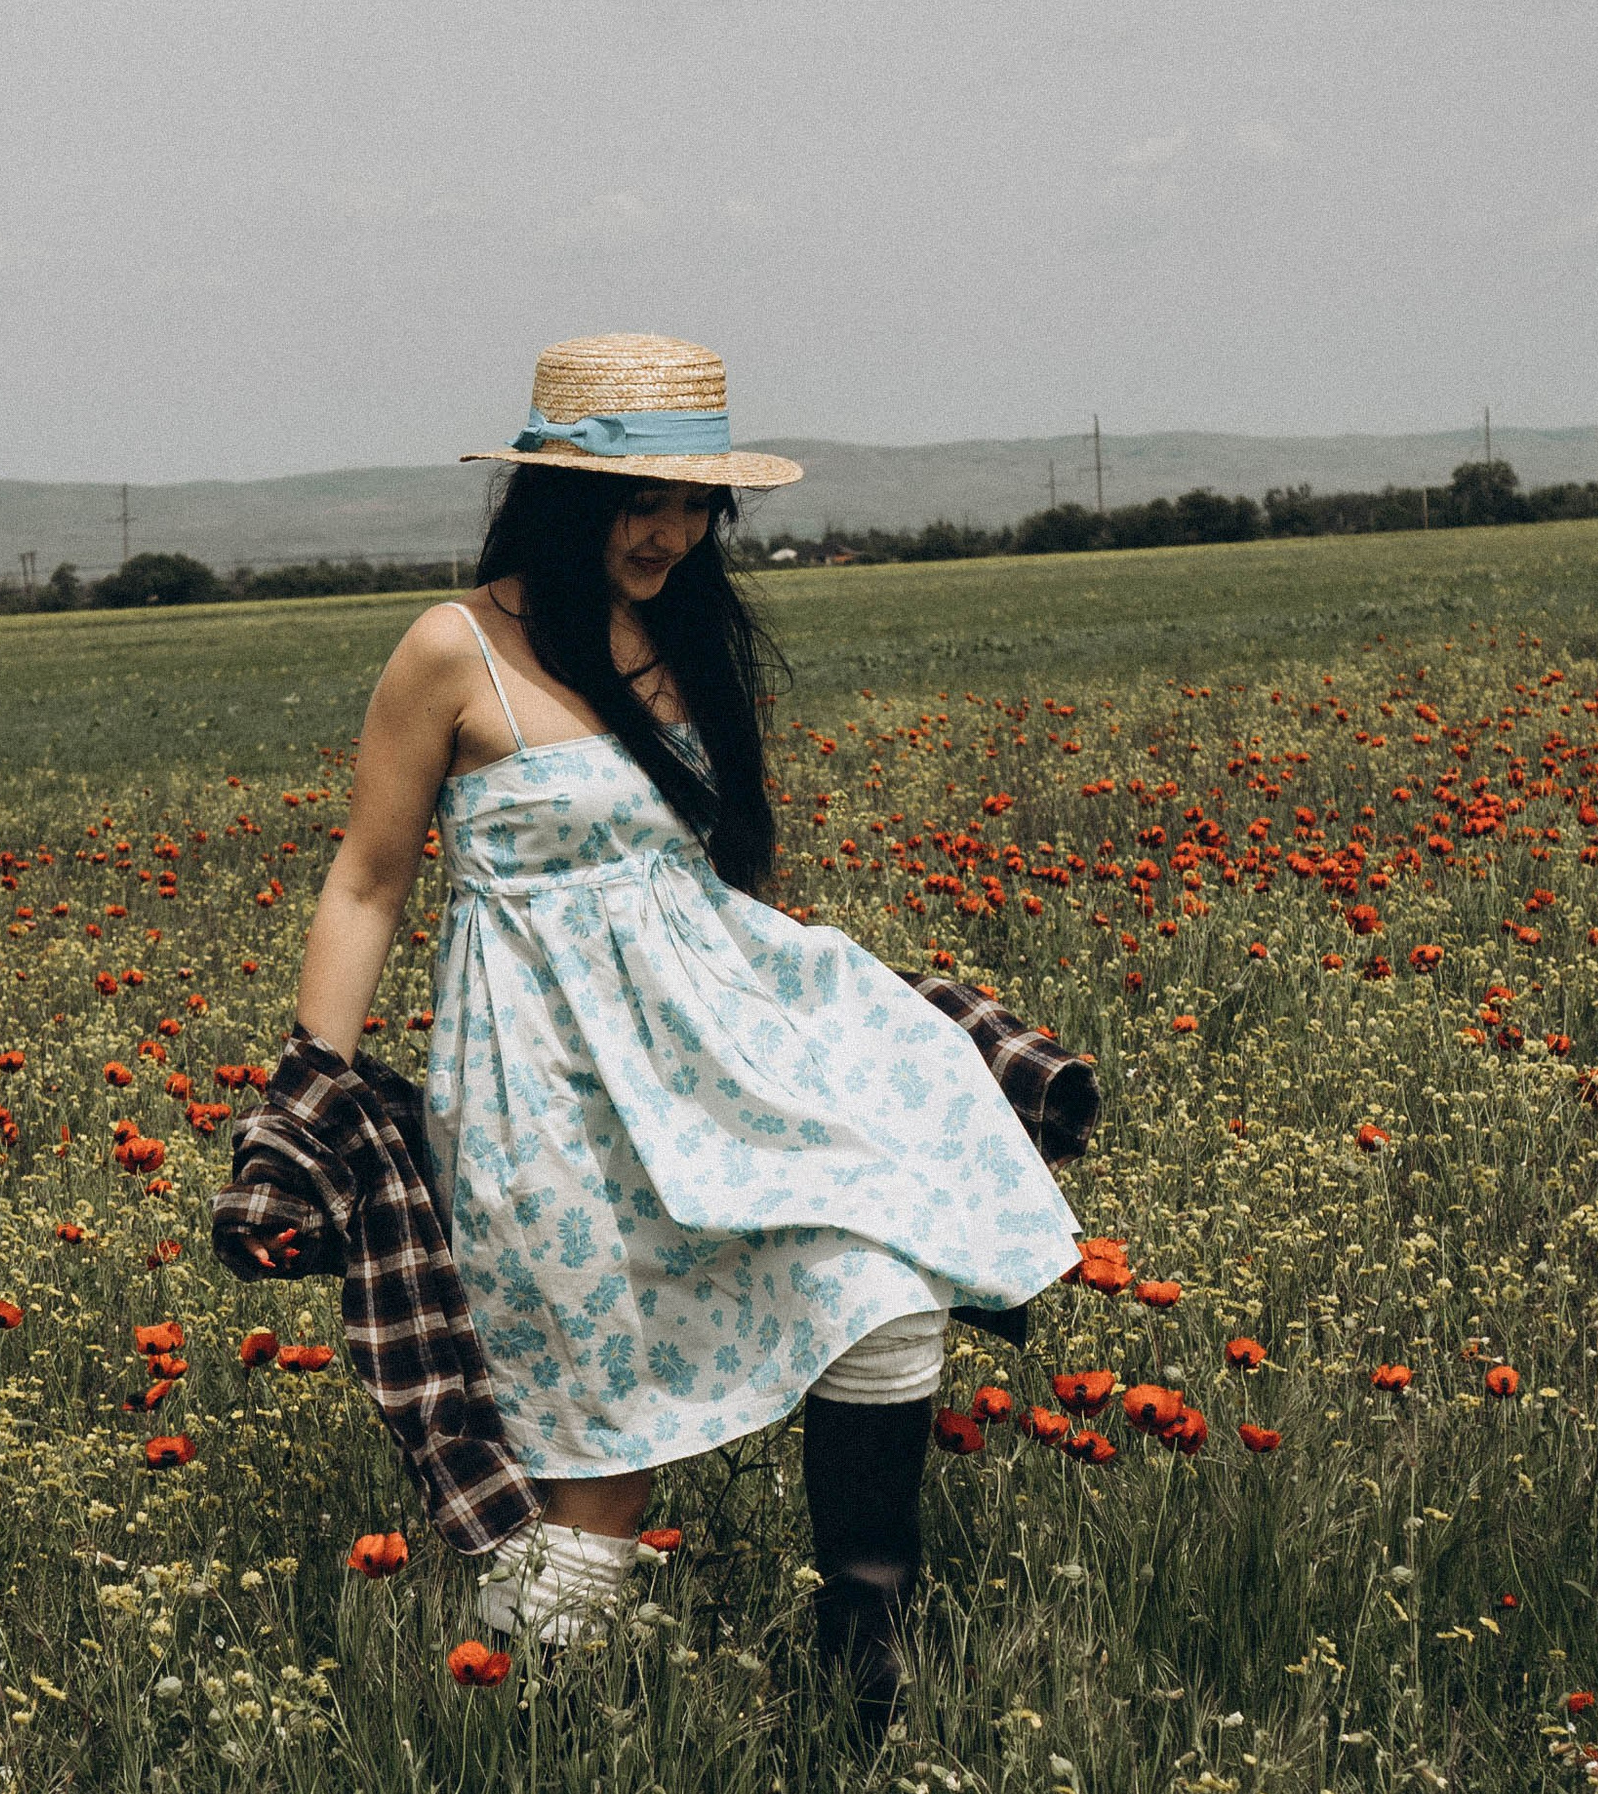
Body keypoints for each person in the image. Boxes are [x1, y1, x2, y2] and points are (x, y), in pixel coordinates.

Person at [288, 333, 1080, 1692]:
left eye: (690, 503)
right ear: (560, 497)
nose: (668, 532)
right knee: (607, 1441)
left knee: (882, 1292)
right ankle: (519, 1731)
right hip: (546, 1090)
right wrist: (308, 1094)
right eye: (638, 502)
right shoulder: (452, 648)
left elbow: (727, 874)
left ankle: (861, 1668)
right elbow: (366, 882)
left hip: (709, 1062)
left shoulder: (690, 637)